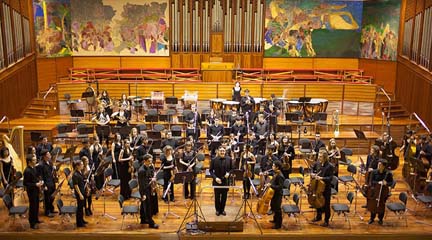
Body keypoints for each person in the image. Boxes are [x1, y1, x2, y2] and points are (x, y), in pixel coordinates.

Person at [311, 148, 334, 227]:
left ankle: (326, 221)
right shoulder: (318, 163)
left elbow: (330, 178)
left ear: (324, 157)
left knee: (326, 205)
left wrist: (322, 178)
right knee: (317, 202)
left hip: (326, 188)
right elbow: (312, 169)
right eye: (318, 156)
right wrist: (312, 174)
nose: (318, 158)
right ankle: (318, 216)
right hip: (318, 187)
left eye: (320, 156)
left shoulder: (330, 166)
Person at [367, 159, 394, 225]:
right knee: (373, 204)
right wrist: (378, 182)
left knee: (382, 204)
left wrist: (386, 183)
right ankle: (372, 218)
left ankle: (380, 219)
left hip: (383, 191)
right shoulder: (374, 172)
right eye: (378, 164)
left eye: (380, 165)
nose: (378, 166)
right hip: (375, 190)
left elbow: (391, 183)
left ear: (383, 166)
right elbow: (371, 181)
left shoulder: (388, 173)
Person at [138, 154, 159, 228]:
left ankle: (143, 219)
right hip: (144, 190)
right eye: (149, 161)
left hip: (148, 188)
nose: (151, 162)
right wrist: (143, 194)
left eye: (151, 161)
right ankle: (151, 223)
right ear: (145, 161)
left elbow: (150, 175)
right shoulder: (141, 171)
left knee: (143, 205)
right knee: (147, 206)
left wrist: (153, 176)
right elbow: (142, 184)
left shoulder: (149, 167)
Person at [210, 146, 232, 216]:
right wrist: (215, 178)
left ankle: (222, 210)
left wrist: (229, 173)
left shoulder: (229, 159)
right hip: (217, 181)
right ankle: (217, 210)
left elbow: (232, 169)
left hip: (225, 181)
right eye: (221, 151)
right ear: (218, 152)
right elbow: (210, 171)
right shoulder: (214, 160)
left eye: (223, 151)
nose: (222, 152)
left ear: (225, 151)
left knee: (224, 196)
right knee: (217, 196)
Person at [23, 154, 44, 229]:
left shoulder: (33, 168)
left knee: (37, 205)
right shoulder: (27, 171)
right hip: (31, 191)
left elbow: (36, 178)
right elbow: (26, 183)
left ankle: (36, 219)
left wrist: (39, 181)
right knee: (33, 207)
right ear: (29, 162)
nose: (36, 161)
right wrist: (36, 184)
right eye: (34, 160)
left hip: (36, 190)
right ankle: (32, 223)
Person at [36, 150, 57, 217]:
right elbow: (40, 176)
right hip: (46, 184)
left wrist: (54, 168)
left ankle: (51, 209)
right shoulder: (41, 165)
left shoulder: (50, 162)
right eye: (48, 154)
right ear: (45, 156)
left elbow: (51, 172)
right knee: (47, 198)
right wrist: (44, 186)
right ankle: (47, 212)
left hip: (52, 182)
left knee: (52, 196)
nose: (50, 155)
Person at [268, 160, 285, 229]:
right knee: (273, 207)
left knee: (277, 209)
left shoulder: (280, 176)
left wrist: (271, 186)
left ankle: (278, 225)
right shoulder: (275, 173)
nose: (272, 166)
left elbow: (280, 187)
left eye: (273, 166)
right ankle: (275, 220)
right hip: (274, 193)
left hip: (278, 195)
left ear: (277, 167)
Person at [72, 160, 88, 227]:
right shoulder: (75, 175)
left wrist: (85, 180)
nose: (83, 165)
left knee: (82, 208)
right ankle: (79, 223)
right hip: (79, 193)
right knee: (79, 208)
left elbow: (80, 181)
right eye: (81, 164)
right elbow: (76, 186)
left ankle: (82, 220)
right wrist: (80, 194)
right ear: (77, 166)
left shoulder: (79, 172)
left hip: (82, 191)